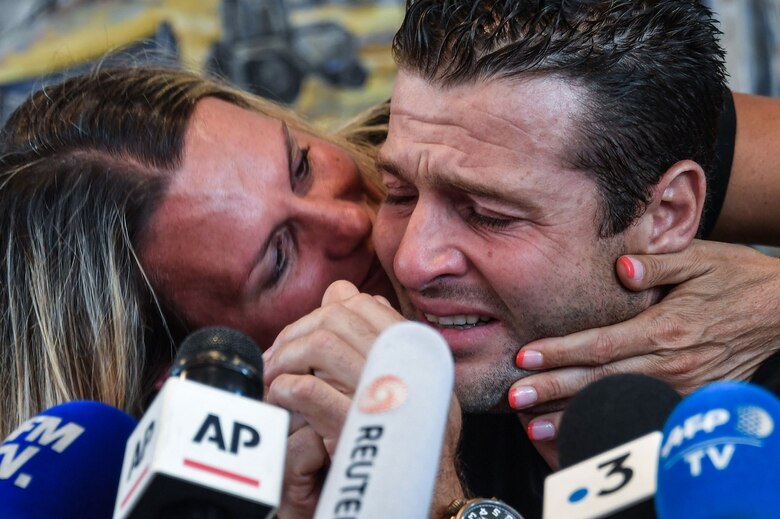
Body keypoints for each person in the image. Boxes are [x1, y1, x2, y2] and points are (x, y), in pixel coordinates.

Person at [260, 1, 780, 517]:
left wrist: (430, 499)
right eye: (399, 193)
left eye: (489, 214)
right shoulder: (356, 410)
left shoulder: (758, 434)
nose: (411, 263)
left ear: (666, 214)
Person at [0, 66, 396, 437]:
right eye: (278, 260)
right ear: (201, 371)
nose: (352, 222)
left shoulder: (438, 131)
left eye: (302, 167)